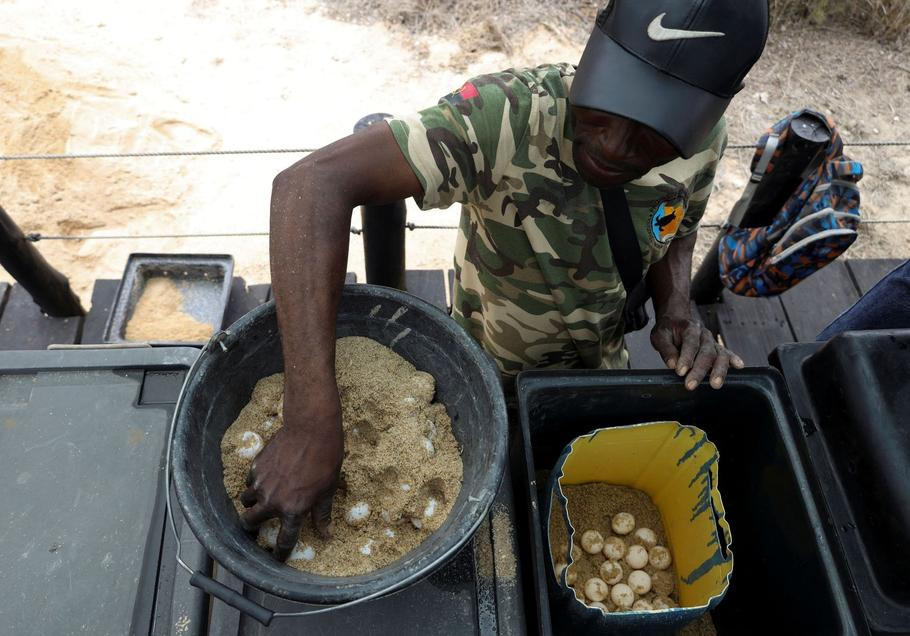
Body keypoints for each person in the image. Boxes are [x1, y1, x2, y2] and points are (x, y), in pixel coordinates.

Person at [242, 0, 770, 561]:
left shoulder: (703, 141)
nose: (613, 148)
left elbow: (676, 225)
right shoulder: (506, 114)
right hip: (481, 366)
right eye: (603, 113)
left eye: (651, 137)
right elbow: (309, 187)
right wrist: (309, 422)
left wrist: (676, 311)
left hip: (593, 373)